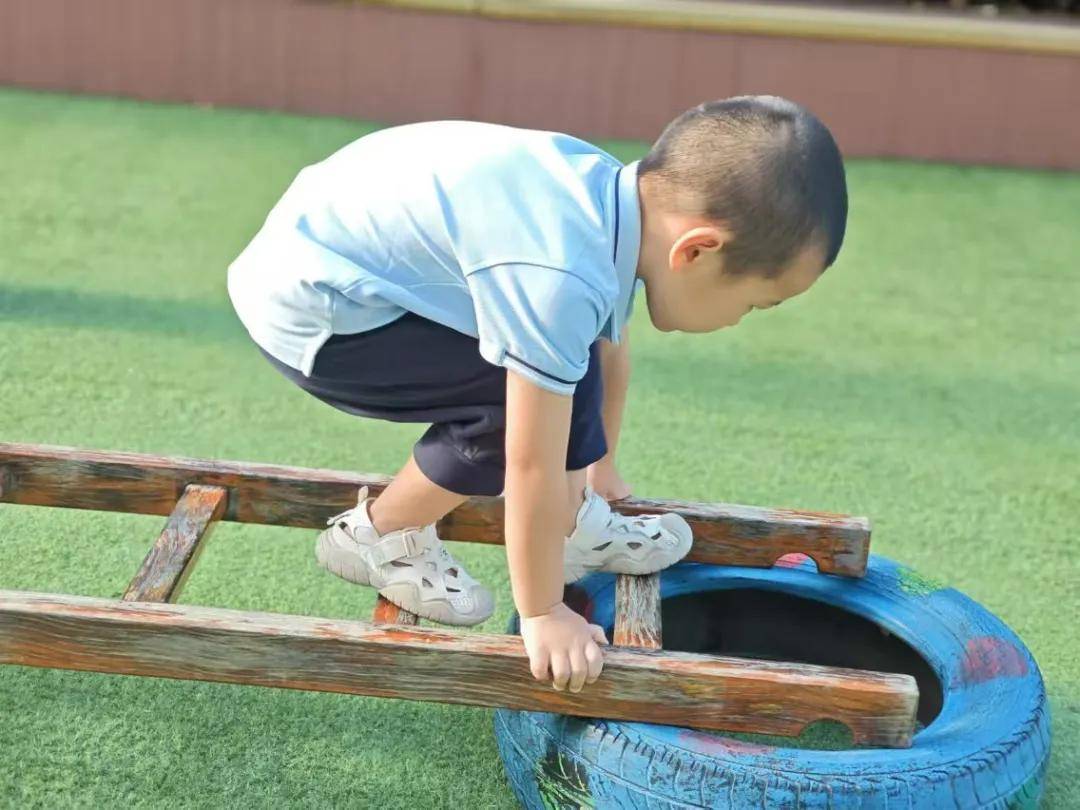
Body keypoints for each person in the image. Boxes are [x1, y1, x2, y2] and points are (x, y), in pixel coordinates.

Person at [226, 95, 848, 695]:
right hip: (318, 310)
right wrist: (544, 611)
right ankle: (379, 533)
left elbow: (607, 341)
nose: (743, 319)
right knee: (509, 409)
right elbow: (529, 460)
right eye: (757, 303)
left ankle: (572, 525)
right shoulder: (559, 277)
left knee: (557, 364)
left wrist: (600, 474)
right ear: (698, 250)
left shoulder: (609, 197)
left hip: (344, 251)